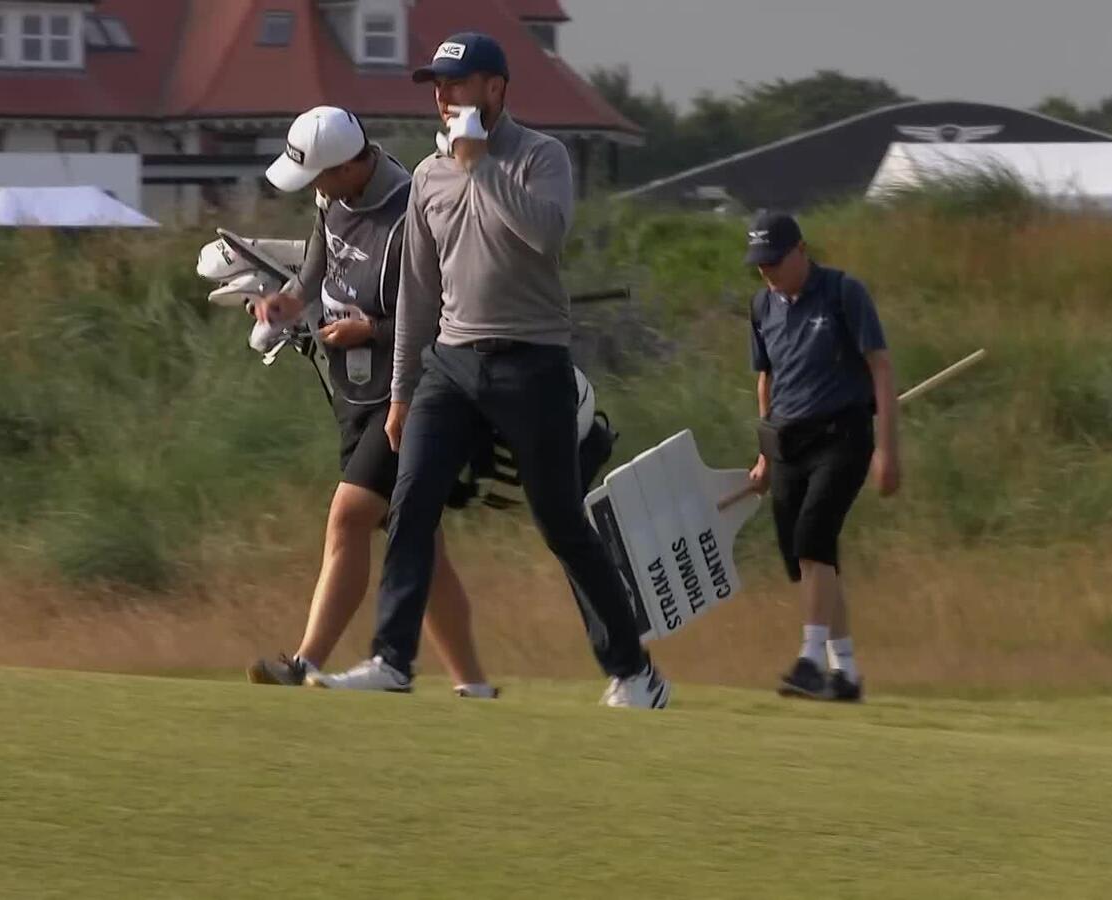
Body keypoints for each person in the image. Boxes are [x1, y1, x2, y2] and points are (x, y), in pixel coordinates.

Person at [307, 33, 670, 709]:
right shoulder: (428, 176)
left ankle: (635, 672)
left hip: (532, 362)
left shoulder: (541, 157)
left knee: (560, 520)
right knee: (410, 508)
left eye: (456, 83)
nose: (442, 96)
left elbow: (546, 235)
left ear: (495, 88)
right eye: (436, 86)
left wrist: (481, 168)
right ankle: (392, 659)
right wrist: (402, 392)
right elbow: (417, 290)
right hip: (450, 364)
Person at [245, 105, 498, 699]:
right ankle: (476, 688)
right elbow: (317, 268)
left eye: (319, 178)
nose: (314, 191)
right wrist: (288, 302)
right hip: (356, 394)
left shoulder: (416, 210)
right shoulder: (332, 200)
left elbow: (444, 315)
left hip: (413, 393)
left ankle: (304, 663)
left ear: (349, 167)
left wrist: (372, 332)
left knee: (349, 515)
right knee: (417, 539)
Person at [743, 211, 901, 702]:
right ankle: (846, 672)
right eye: (759, 264)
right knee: (810, 559)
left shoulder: (842, 293)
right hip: (788, 442)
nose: (767, 271)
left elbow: (880, 366)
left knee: (814, 536)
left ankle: (810, 661)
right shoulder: (761, 307)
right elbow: (765, 379)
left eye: (774, 261)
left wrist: (887, 449)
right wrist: (765, 455)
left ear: (800, 251)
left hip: (843, 435)